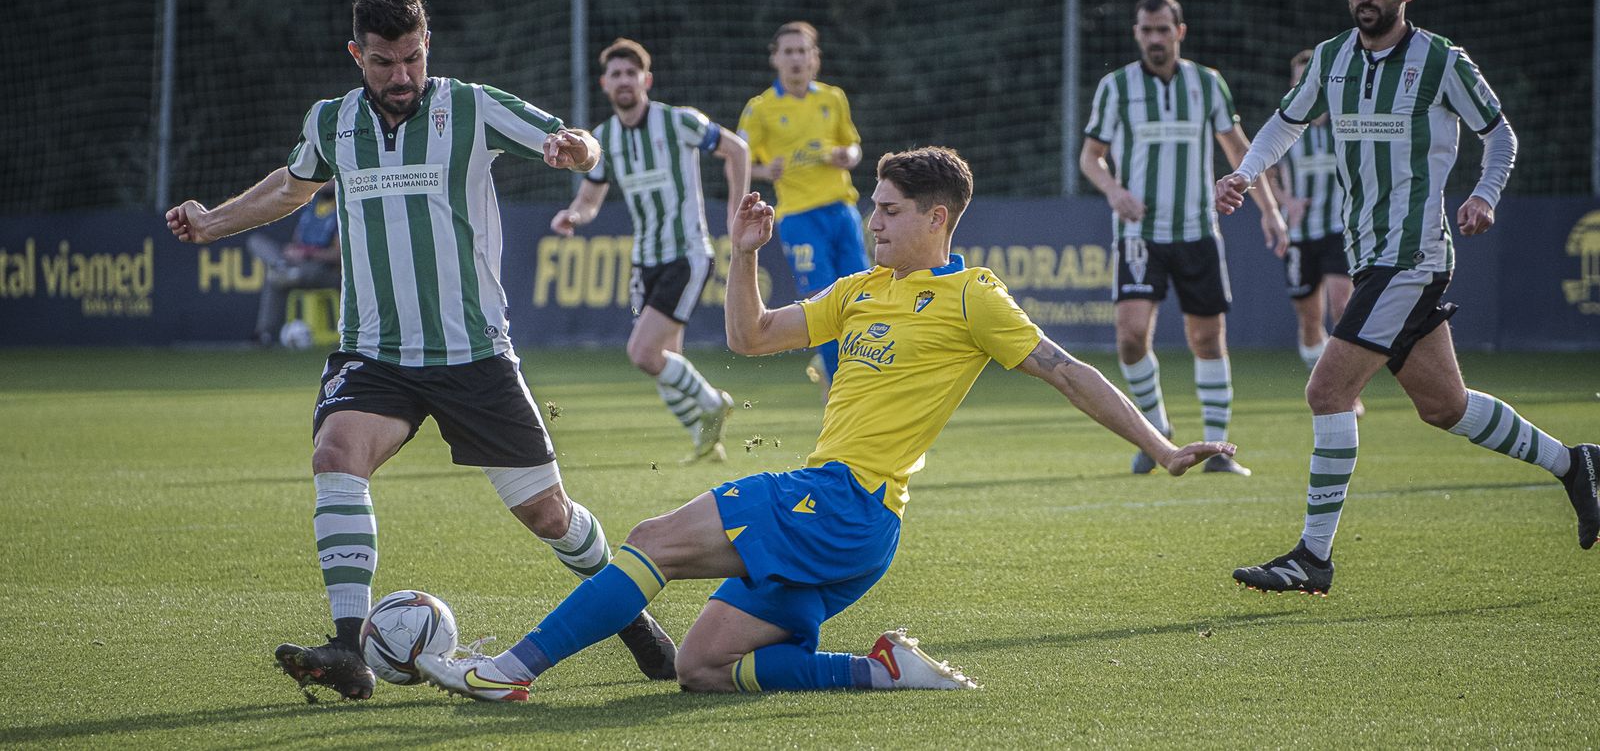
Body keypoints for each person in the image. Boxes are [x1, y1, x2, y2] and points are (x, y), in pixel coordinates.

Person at [415, 146, 1234, 700]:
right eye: (872, 207)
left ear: (938, 218)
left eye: (890, 210)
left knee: (654, 537)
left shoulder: (972, 296)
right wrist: (744, 254)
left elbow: (1069, 372)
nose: (872, 221)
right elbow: (750, 337)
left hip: (847, 502)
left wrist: (1160, 446)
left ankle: (508, 671)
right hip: (848, 525)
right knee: (703, 665)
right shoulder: (858, 290)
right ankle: (881, 670)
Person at [164, 0, 677, 700]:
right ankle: (349, 650)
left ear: (426, 46)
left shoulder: (471, 106)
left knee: (548, 515)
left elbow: (579, 142)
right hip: (375, 353)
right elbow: (292, 186)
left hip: (474, 356)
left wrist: (574, 150)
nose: (401, 75)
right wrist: (212, 221)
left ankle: (634, 621)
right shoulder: (331, 120)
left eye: (412, 58)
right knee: (335, 455)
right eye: (383, 62)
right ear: (356, 54)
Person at [1216, 0, 1599, 595]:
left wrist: (1484, 194)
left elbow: (1500, 136)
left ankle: (1313, 556)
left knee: (1327, 390)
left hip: (1412, 256)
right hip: (1370, 256)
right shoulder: (1331, 58)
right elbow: (1285, 123)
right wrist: (1246, 174)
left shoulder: (1443, 61)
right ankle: (1577, 464)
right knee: (1444, 405)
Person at [1079, 0, 1287, 477]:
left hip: (1197, 231)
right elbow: (1091, 156)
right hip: (1139, 235)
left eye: (1162, 30)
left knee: (1207, 339)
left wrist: (1270, 211)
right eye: (1146, 30)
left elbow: (1237, 148)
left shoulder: (1207, 83)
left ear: (1180, 32)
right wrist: (1113, 191)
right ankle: (1156, 431)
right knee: (1130, 337)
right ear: (1136, 33)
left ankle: (1219, 451)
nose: (1154, 39)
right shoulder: (1116, 87)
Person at [552, 38, 751, 463]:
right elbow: (590, 198)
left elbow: (737, 149)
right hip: (645, 260)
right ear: (605, 84)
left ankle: (713, 402)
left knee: (642, 353)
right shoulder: (604, 138)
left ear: (647, 80)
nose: (624, 80)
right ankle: (704, 440)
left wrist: (736, 212)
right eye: (616, 74)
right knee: (665, 359)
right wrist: (574, 216)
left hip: (687, 253)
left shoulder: (678, 121)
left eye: (632, 73)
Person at [738, 21, 868, 401]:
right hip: (798, 216)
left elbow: (854, 145)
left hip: (842, 211)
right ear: (775, 58)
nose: (796, 59)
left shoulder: (833, 98)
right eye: (789, 51)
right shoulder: (761, 108)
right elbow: (738, 157)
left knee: (862, 299)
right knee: (824, 303)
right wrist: (765, 170)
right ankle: (841, 387)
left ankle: (857, 376)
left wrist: (849, 156)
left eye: (802, 51)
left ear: (815, 58)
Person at [1269, 50, 1364, 417]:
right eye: (1299, 80)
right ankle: (1323, 382)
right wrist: (1285, 201)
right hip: (1299, 234)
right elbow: (1265, 171)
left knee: (1342, 307)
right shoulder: (1287, 128)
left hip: (1338, 230)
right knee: (1310, 320)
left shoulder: (1347, 125)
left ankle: (1346, 391)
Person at [247, 180, 341, 347]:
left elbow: (338, 255)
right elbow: (297, 241)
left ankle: (284, 270)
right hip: (299, 264)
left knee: (275, 279)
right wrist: (293, 251)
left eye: (331, 180)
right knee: (256, 242)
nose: (326, 184)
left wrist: (308, 253)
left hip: (325, 271)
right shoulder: (311, 207)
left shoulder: (342, 209)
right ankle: (264, 334)